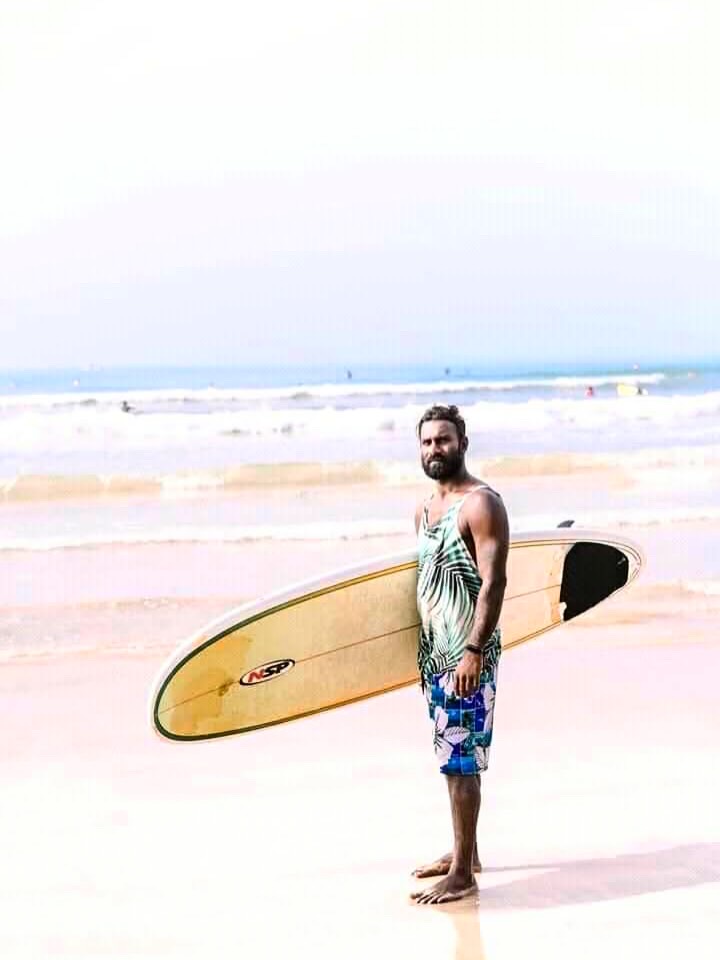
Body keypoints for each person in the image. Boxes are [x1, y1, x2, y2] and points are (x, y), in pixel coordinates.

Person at [411, 404, 509, 905]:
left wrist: (473, 651)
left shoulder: (481, 504)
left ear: (463, 443)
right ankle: (465, 852)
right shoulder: (424, 510)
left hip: (467, 654)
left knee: (460, 762)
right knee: (451, 758)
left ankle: (463, 875)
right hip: (435, 657)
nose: (435, 449)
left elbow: (494, 582)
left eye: (444, 440)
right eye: (427, 441)